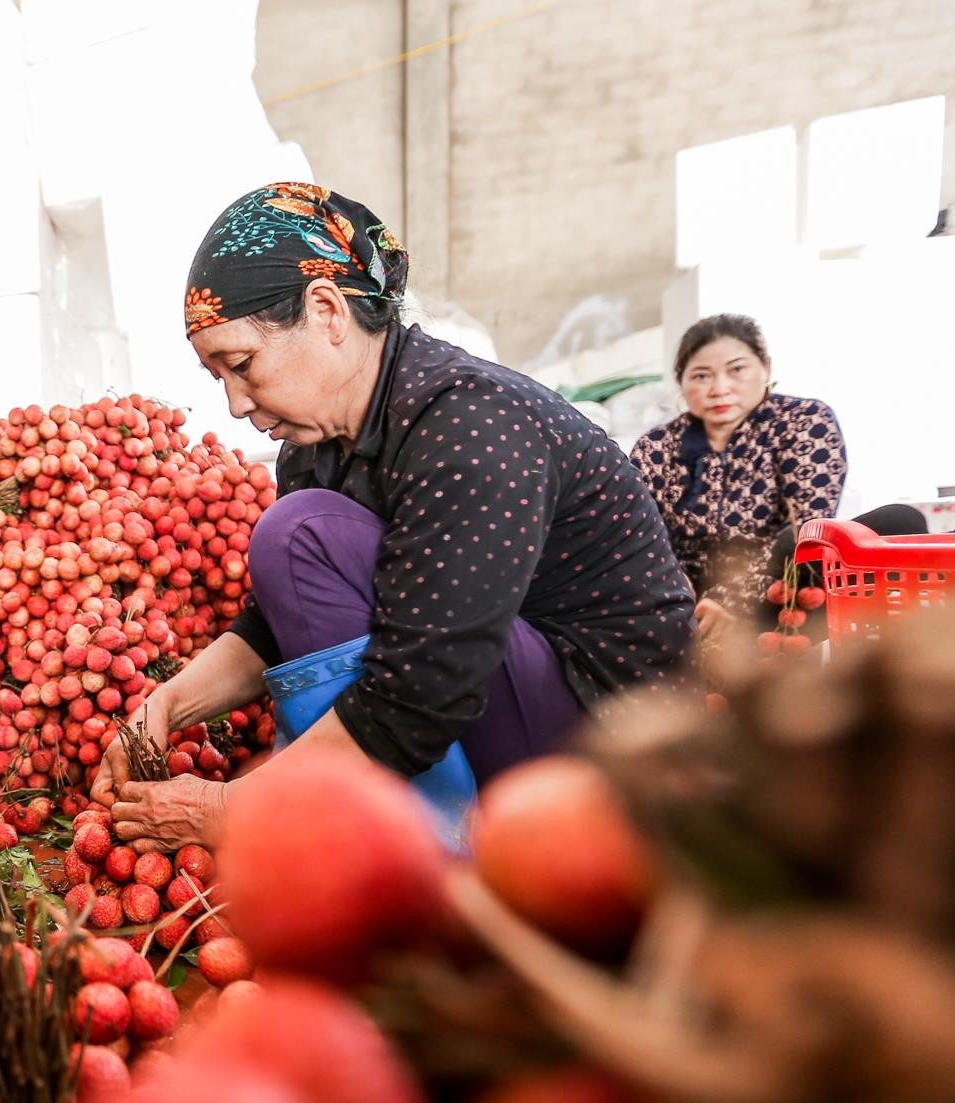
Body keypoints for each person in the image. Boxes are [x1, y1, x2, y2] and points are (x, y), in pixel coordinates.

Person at [95, 182, 693, 851]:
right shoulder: (319, 445)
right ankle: (375, 817)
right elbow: (272, 620)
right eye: (220, 380)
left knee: (299, 534)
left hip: (611, 740)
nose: (236, 403)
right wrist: (166, 706)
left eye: (243, 366)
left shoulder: (469, 427)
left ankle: (425, 848)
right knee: (298, 535)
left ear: (326, 312)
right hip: (504, 696)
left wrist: (236, 811)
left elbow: (422, 684)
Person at [630, 314, 846, 642]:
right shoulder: (656, 446)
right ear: (682, 382)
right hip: (680, 603)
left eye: (737, 370)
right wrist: (680, 597)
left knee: (891, 521)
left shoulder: (804, 422)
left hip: (777, 591)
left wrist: (732, 598)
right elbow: (642, 537)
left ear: (766, 368)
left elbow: (808, 524)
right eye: (701, 376)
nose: (719, 389)